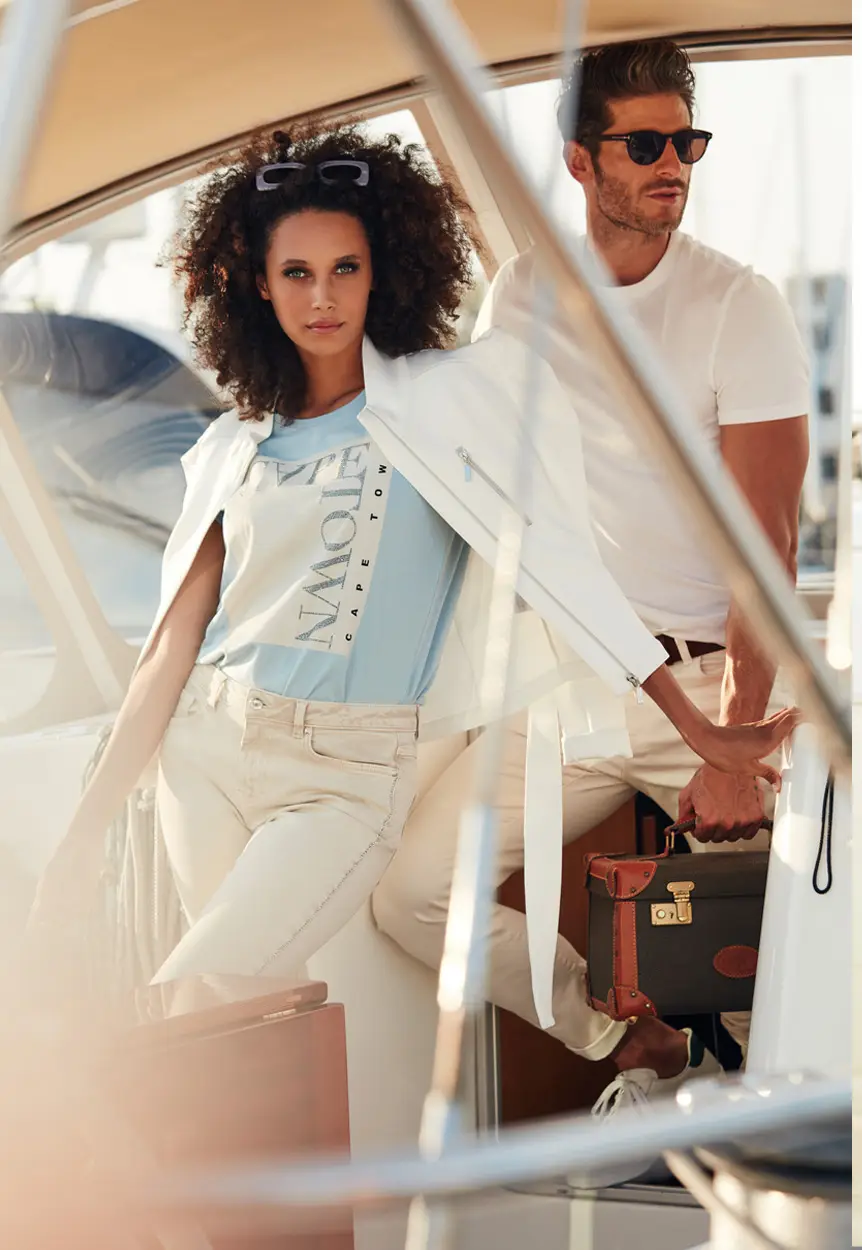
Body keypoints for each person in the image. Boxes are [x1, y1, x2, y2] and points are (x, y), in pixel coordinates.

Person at [49, 126, 790, 998]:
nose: (322, 297)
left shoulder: (445, 401)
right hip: (207, 744)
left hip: (347, 777)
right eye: (296, 273)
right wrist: (80, 837)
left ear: (384, 271)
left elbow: (563, 566)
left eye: (346, 269)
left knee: (206, 988)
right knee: (233, 1022)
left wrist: (700, 726)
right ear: (258, 283)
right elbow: (172, 648)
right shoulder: (235, 441)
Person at [370, 39, 814, 1110]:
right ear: (580, 161)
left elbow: (769, 545)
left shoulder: (737, 306)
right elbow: (481, 483)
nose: (675, 164)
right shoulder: (520, 298)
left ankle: (785, 1166)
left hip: (716, 689)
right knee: (415, 893)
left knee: (795, 974)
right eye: (647, 143)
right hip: (574, 690)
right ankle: (632, 1035)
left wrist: (732, 740)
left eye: (688, 141)